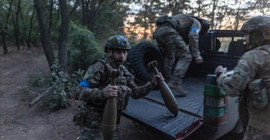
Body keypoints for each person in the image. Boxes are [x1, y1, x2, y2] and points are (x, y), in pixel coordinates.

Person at [73, 35, 162, 140]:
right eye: (119, 52)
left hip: (112, 121)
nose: (122, 56)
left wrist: (152, 84)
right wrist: (102, 93)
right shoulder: (99, 67)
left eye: (125, 52)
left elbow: (135, 93)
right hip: (93, 123)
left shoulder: (124, 71)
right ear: (110, 51)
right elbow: (78, 91)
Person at [215, 16, 270, 140]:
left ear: (259, 34)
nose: (244, 38)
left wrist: (220, 75)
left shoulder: (254, 56)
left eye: (247, 34)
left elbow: (232, 89)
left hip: (261, 127)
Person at [153, 14, 210, 97]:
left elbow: (183, 41)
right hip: (169, 31)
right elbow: (192, 35)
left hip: (158, 33)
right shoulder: (197, 23)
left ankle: (166, 82)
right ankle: (175, 82)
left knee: (169, 57)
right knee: (186, 56)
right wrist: (196, 55)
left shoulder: (184, 19)